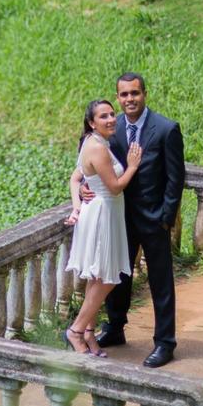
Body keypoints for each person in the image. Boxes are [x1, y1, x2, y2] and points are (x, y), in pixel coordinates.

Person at [81, 73, 185, 368]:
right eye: (124, 95)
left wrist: (166, 217)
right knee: (117, 276)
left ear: (145, 94)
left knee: (160, 281)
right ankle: (115, 328)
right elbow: (90, 164)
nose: (129, 100)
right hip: (119, 217)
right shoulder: (112, 129)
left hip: (154, 220)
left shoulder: (166, 129)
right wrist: (82, 187)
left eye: (134, 94)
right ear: (118, 97)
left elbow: (175, 179)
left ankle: (165, 343)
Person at [64, 99, 142, 357]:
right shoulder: (96, 148)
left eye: (112, 114)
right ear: (91, 123)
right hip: (102, 215)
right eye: (103, 116)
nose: (111, 119)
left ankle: (87, 331)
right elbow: (115, 186)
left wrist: (76, 206)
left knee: (99, 278)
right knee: (106, 278)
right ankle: (76, 330)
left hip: (105, 212)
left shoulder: (95, 143)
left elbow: (76, 178)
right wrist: (131, 167)